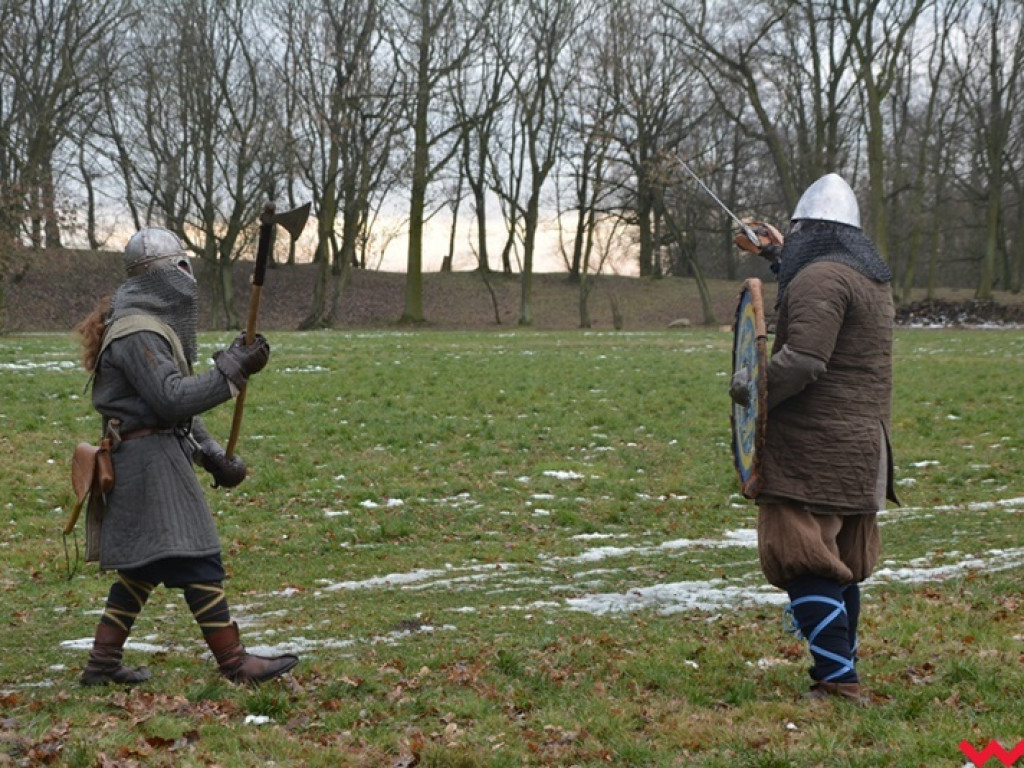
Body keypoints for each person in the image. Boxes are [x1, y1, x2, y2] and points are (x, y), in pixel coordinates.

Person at [74, 226, 298, 686]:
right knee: (198, 558)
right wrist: (231, 370)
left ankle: (101, 665)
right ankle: (235, 663)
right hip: (147, 467)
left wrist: (214, 457)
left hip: (154, 459)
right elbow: (173, 399)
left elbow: (172, 413)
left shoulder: (148, 327)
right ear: (155, 275)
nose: (185, 275)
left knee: (143, 568)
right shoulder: (136, 332)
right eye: (178, 265)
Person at [730, 173, 897, 703]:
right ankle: (838, 672)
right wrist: (780, 257)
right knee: (837, 564)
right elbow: (818, 295)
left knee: (803, 556)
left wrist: (753, 388)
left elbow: (803, 360)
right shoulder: (865, 277)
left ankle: (839, 682)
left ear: (810, 230)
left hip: (816, 447)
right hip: (860, 446)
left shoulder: (821, 278)